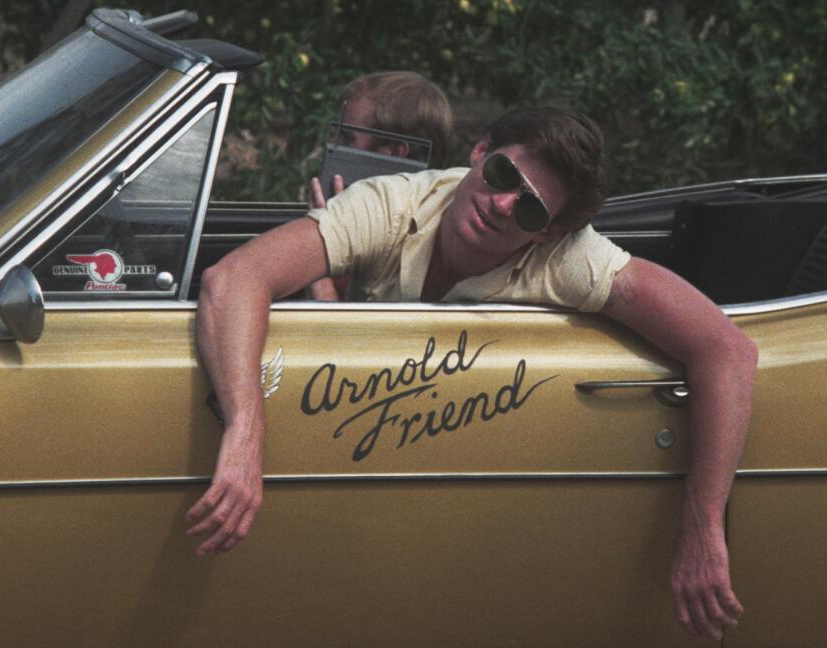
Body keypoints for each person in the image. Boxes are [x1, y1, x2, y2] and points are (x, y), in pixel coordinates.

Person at [190, 107, 757, 640]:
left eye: (532, 209)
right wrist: (245, 429)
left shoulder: (569, 258)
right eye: (502, 172)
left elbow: (726, 350)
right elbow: (236, 278)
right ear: (480, 152)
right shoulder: (394, 203)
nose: (504, 204)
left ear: (548, 234)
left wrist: (704, 527)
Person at [306, 71, 453, 301]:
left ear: (393, 153)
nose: (336, 148)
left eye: (347, 139)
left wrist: (318, 244)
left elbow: (340, 331)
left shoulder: (418, 249)